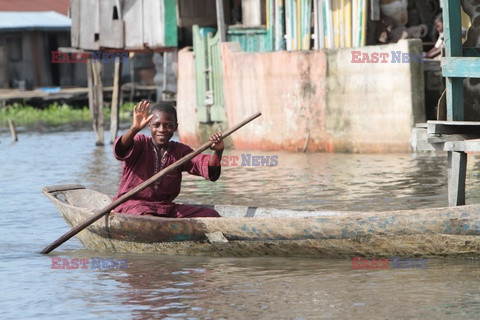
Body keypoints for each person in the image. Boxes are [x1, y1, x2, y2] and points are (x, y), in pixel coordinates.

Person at [113, 100, 223, 217]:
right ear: (149, 125)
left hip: (165, 208)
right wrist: (134, 129)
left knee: (211, 214)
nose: (162, 130)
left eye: (168, 126)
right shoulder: (140, 142)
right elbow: (120, 150)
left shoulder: (180, 151)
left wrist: (218, 151)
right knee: (149, 219)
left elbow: (207, 168)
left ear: (176, 127)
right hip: (133, 206)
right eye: (156, 125)